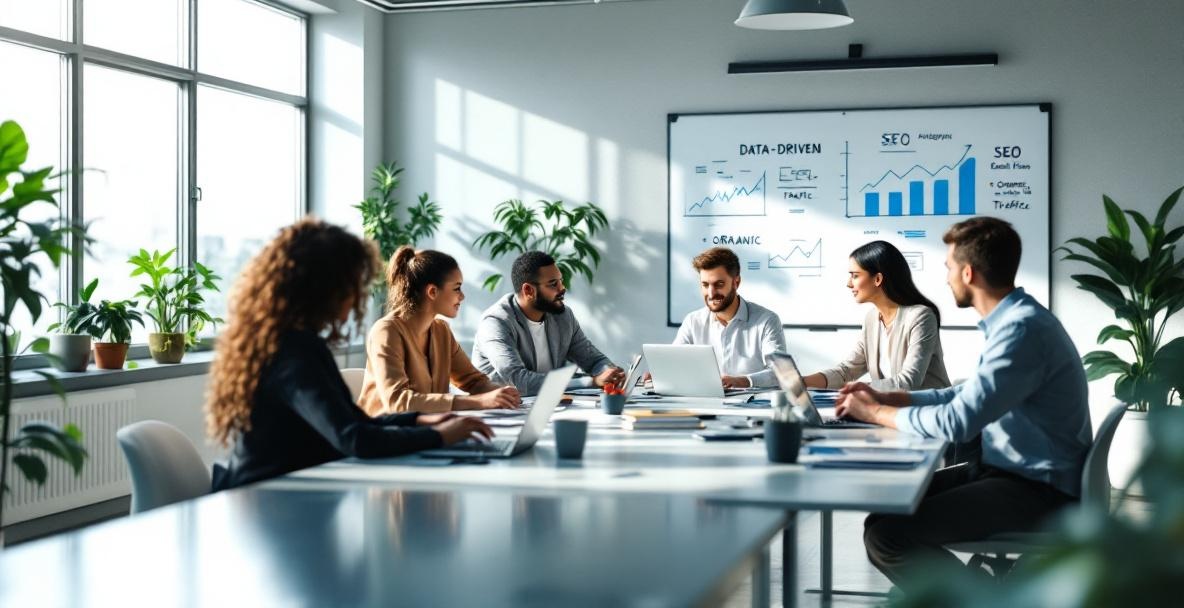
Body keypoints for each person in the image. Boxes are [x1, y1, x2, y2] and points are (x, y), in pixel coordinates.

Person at [834, 217, 1092, 594]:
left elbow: (960, 421)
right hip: (1012, 473)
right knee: (884, 516)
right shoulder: (1015, 322)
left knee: (887, 535)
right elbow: (963, 394)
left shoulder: (1020, 331)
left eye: (949, 268)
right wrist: (892, 397)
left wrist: (873, 413)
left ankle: (987, 602)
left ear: (968, 272)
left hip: (1036, 490)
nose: (946, 278)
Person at [205, 219, 493, 491]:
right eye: (352, 285)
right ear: (324, 289)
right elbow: (353, 438)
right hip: (266, 498)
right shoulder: (293, 352)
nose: (357, 297)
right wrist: (440, 435)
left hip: (293, 489)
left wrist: (419, 421)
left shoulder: (295, 343)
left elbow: (355, 423)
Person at [357, 246, 520, 415]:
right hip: (384, 434)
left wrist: (503, 394)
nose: (462, 296)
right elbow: (397, 402)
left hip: (428, 430)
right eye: (457, 288)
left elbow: (473, 382)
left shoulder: (441, 330)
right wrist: (479, 402)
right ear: (432, 292)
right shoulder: (386, 331)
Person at [471, 251, 624, 396]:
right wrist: (590, 382)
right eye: (553, 284)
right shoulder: (495, 322)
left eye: (561, 281)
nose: (562, 288)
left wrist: (610, 373)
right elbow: (520, 382)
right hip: (496, 413)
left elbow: (593, 360)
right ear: (529, 290)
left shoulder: (563, 316)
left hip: (545, 405)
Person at [803, 240, 950, 391]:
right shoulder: (871, 319)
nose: (849, 283)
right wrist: (802, 382)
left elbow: (909, 381)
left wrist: (858, 389)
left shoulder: (920, 317)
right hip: (894, 409)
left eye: (855, 276)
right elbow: (846, 371)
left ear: (878, 279)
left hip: (931, 409)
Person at [671, 247, 787, 388]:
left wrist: (742, 381)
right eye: (705, 285)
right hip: (704, 404)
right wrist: (662, 376)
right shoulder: (692, 321)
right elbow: (675, 363)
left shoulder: (766, 321)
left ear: (736, 283)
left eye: (719, 284)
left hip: (751, 406)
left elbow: (781, 372)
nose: (711, 293)